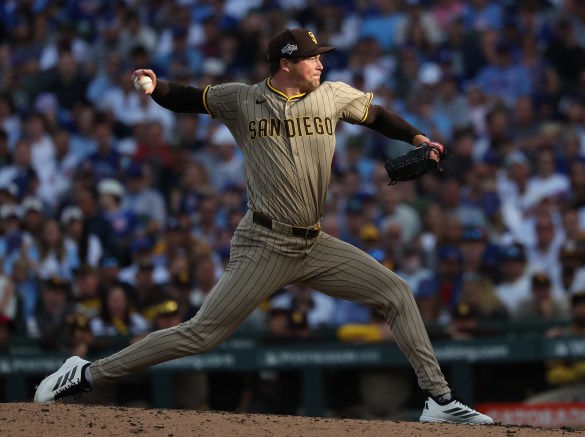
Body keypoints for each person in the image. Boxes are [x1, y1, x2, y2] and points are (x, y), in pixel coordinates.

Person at [34, 28, 492, 424]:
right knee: (201, 333)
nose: (320, 63)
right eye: (313, 56)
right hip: (264, 243)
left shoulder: (331, 95)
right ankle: (86, 373)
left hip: (314, 243)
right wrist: (157, 86)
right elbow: (191, 99)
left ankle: (439, 399)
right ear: (287, 62)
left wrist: (417, 139)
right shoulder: (244, 98)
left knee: (397, 293)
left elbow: (377, 116)